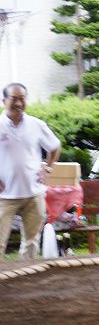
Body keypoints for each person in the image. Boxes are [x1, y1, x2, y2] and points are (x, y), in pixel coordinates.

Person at [0, 83, 61, 259]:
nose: (19, 103)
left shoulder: (36, 124)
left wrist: (47, 168)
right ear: (4, 101)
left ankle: (27, 274)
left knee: (31, 243)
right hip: (4, 197)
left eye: (22, 99)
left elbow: (55, 147)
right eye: (14, 99)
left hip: (34, 194)